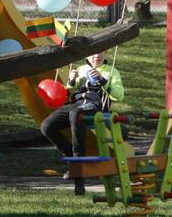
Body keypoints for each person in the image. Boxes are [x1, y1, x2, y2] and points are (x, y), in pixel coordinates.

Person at [39, 52, 124, 195]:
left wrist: (102, 80)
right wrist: (71, 81)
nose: (97, 56)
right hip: (75, 105)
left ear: (105, 54)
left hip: (94, 107)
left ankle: (79, 178)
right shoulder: (81, 69)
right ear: (87, 56)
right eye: (93, 54)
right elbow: (69, 91)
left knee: (76, 114)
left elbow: (119, 95)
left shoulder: (112, 72)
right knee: (46, 126)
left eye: (100, 53)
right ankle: (71, 158)